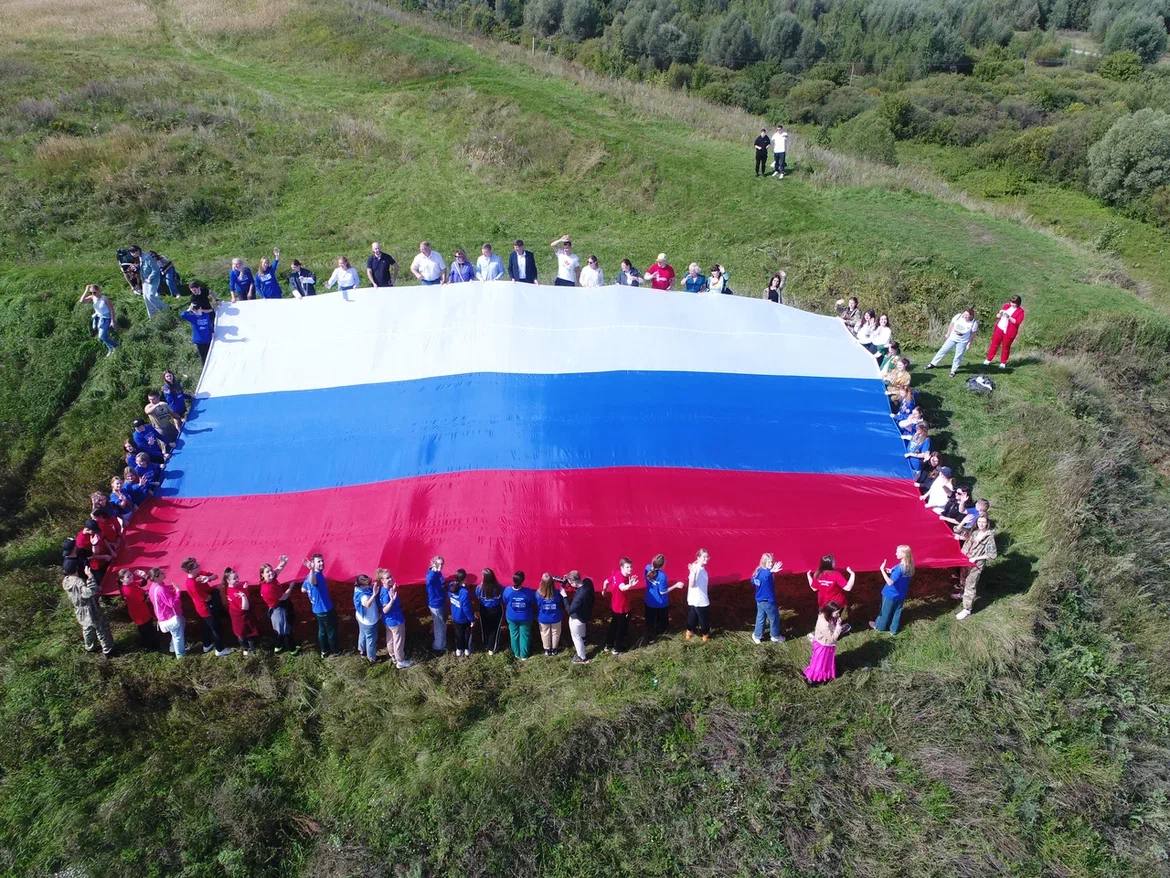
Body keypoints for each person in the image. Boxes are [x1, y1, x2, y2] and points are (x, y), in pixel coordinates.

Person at [62, 547, 114, 656]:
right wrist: (90, 577)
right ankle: (108, 650)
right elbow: (90, 592)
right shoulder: (79, 582)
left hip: (79, 609)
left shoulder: (66, 582)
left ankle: (90, 647)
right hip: (90, 609)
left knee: (87, 629)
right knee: (101, 629)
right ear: (76, 569)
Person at [180, 557, 233, 657]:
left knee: (207, 627)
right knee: (215, 628)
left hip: (204, 607)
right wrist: (214, 589)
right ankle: (220, 649)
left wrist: (208, 578)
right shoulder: (191, 584)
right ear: (190, 570)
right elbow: (207, 598)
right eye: (196, 566)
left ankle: (207, 644)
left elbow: (215, 576)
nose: (199, 566)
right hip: (206, 608)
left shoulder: (199, 574)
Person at [956, 514, 997, 620]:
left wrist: (977, 558)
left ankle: (967, 609)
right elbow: (956, 530)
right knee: (963, 581)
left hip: (975, 565)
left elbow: (992, 555)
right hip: (965, 562)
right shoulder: (974, 532)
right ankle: (962, 595)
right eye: (979, 522)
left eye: (983, 522)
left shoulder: (989, 537)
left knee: (970, 585)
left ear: (987, 523)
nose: (981, 524)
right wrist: (963, 521)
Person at [870, 545, 914, 635]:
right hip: (901, 594)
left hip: (890, 594)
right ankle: (893, 630)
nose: (895, 553)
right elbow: (900, 577)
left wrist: (882, 570)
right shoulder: (909, 565)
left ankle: (879, 626)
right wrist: (891, 571)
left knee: (885, 611)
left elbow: (890, 582)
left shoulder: (899, 568)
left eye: (897, 552)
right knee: (897, 612)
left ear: (903, 554)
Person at [301, 553, 338, 657]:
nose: (322, 563)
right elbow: (312, 582)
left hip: (318, 609)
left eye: (322, 561)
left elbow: (303, 589)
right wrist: (312, 570)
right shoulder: (314, 575)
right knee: (331, 632)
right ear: (313, 564)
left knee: (322, 630)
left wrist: (311, 593)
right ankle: (335, 651)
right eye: (319, 561)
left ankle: (324, 651)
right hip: (324, 609)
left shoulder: (311, 575)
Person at [601, 557, 640, 654]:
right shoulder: (621, 578)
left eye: (631, 567)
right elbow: (622, 587)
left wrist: (604, 591)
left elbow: (606, 581)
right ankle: (617, 648)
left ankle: (608, 644)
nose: (630, 569)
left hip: (615, 606)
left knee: (614, 625)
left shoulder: (616, 574)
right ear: (622, 567)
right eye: (627, 567)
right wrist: (630, 585)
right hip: (623, 609)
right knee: (621, 628)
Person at [927, 307, 979, 378]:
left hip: (963, 341)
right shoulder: (958, 316)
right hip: (952, 338)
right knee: (943, 350)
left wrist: (969, 343)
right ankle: (932, 364)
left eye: (967, 315)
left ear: (971, 316)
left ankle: (953, 371)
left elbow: (973, 334)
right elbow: (951, 324)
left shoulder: (974, 323)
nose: (965, 316)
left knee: (958, 356)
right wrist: (948, 334)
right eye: (964, 314)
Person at [145, 568, 185, 658]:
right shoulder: (160, 589)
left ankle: (173, 647)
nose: (164, 574)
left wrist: (170, 590)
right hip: (170, 616)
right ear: (156, 577)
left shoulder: (153, 586)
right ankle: (181, 656)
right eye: (161, 573)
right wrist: (178, 592)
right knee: (177, 636)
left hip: (163, 615)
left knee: (176, 632)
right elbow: (173, 604)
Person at [258, 554, 294, 652]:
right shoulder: (268, 589)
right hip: (278, 609)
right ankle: (291, 649)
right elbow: (284, 597)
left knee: (281, 629)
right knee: (284, 630)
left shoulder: (270, 579)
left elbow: (278, 569)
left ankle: (279, 646)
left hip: (277, 606)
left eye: (271, 570)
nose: (271, 573)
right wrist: (291, 587)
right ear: (262, 575)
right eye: (267, 572)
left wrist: (283, 562)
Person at [377, 569, 412, 669]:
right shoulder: (386, 594)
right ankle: (400, 661)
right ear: (382, 580)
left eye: (390, 576)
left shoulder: (385, 589)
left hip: (388, 621)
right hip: (396, 621)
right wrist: (392, 600)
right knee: (399, 641)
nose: (390, 579)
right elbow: (385, 610)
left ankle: (393, 657)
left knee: (390, 639)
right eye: (387, 578)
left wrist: (393, 588)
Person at [803, 602, 844, 685]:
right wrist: (839, 627)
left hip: (822, 644)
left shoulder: (824, 615)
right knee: (820, 664)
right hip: (824, 647)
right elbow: (832, 639)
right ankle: (815, 679)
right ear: (830, 611)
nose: (838, 614)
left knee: (822, 662)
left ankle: (822, 674)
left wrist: (835, 622)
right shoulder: (824, 624)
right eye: (836, 613)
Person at [807, 556, 855, 624]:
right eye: (834, 561)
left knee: (825, 618)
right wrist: (852, 574)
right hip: (836, 603)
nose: (835, 563)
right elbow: (848, 588)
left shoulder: (818, 574)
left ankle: (825, 628)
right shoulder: (836, 574)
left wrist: (808, 575)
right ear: (831, 563)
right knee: (833, 617)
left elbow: (814, 588)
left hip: (823, 602)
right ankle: (834, 629)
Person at [117, 568, 156, 651]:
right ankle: (150, 646)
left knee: (147, 627)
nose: (131, 577)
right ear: (122, 579)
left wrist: (144, 576)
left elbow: (141, 583)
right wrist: (152, 592)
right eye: (128, 576)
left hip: (142, 610)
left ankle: (149, 643)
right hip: (140, 613)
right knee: (146, 629)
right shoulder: (128, 590)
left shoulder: (130, 584)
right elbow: (144, 598)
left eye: (131, 574)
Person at [643, 554, 680, 641]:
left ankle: (650, 637)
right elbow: (662, 591)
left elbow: (646, 578)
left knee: (650, 620)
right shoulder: (662, 576)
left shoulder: (647, 568)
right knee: (662, 621)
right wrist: (676, 585)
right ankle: (661, 634)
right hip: (661, 603)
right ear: (663, 565)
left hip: (649, 600)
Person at [224, 568, 260, 655]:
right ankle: (250, 650)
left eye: (237, 577)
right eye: (234, 578)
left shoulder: (231, 588)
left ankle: (246, 649)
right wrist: (244, 595)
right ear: (228, 580)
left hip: (237, 617)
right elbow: (245, 607)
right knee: (247, 634)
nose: (237, 580)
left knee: (241, 633)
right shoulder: (234, 593)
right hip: (241, 617)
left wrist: (244, 589)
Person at [503, 571, 538, 660]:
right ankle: (524, 655)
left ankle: (516, 653)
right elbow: (532, 602)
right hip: (525, 617)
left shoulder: (507, 591)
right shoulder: (528, 592)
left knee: (513, 635)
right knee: (524, 636)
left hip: (512, 616)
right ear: (523, 580)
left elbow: (505, 601)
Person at [751, 553, 785, 644]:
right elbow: (765, 577)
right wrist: (771, 571)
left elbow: (753, 581)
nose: (771, 563)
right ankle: (775, 636)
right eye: (769, 562)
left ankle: (757, 635)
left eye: (772, 561)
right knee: (774, 618)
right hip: (768, 601)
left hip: (759, 600)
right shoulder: (767, 574)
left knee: (761, 617)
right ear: (764, 562)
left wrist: (771, 571)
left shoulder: (758, 571)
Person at [984, 295, 1025, 369]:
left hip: (1009, 332)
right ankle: (988, 359)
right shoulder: (1006, 306)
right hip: (1000, 328)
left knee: (1006, 347)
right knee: (994, 344)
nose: (1012, 304)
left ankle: (1003, 362)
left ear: (1018, 303)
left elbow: (1017, 322)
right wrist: (999, 314)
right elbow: (998, 315)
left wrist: (1008, 317)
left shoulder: (1020, 311)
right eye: (1011, 302)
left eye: (1014, 303)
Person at [79, 284, 118, 356]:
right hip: (100, 318)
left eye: (94, 292)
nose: (93, 294)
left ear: (99, 290)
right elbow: (81, 301)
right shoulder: (92, 297)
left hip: (107, 318)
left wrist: (113, 321)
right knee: (103, 336)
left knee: (101, 336)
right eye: (91, 293)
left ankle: (116, 346)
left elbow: (112, 310)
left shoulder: (105, 299)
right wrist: (86, 290)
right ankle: (111, 348)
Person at [682, 548, 711, 641]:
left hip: (694, 598)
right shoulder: (695, 569)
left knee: (693, 616)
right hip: (700, 599)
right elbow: (691, 584)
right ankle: (705, 635)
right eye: (704, 557)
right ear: (698, 557)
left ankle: (689, 632)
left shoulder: (697, 566)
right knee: (704, 618)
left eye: (707, 556)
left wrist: (696, 564)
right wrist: (693, 572)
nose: (706, 558)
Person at [535, 573, 568, 656]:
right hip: (556, 617)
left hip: (543, 618)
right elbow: (561, 602)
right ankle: (554, 649)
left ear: (541, 582)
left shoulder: (538, 594)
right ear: (553, 583)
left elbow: (537, 605)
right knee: (556, 633)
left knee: (545, 633)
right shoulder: (557, 593)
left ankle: (547, 649)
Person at [132, 246, 168, 316]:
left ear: (139, 250)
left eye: (134, 251)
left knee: (151, 296)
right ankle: (152, 315)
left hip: (153, 279)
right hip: (145, 280)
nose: (133, 254)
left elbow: (156, 269)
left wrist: (150, 278)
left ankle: (166, 309)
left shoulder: (147, 257)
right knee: (145, 297)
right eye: (132, 252)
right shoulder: (140, 257)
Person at [567, 574, 595, 664]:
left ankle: (582, 658)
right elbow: (587, 578)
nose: (570, 584)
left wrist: (564, 596)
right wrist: (569, 577)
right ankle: (584, 643)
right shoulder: (587, 583)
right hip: (585, 615)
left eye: (570, 582)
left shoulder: (580, 596)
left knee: (576, 637)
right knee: (582, 635)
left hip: (577, 618)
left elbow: (570, 610)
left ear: (574, 582)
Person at [476, 568, 505, 654]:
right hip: (496, 610)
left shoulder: (479, 588)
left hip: (484, 610)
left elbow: (477, 597)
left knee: (485, 627)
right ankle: (492, 647)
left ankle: (486, 644)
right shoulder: (499, 588)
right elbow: (503, 598)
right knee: (495, 629)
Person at [353, 573, 381, 663]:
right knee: (371, 640)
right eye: (368, 584)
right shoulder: (363, 596)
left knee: (362, 633)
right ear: (362, 585)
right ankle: (372, 659)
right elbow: (367, 604)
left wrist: (373, 585)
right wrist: (374, 594)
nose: (369, 585)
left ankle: (361, 650)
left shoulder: (357, 588)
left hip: (360, 617)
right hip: (369, 621)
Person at [181, 296, 216, 364]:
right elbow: (182, 314)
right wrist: (189, 308)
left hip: (208, 339)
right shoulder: (193, 317)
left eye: (196, 309)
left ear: (200, 308)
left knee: (211, 356)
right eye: (194, 310)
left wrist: (212, 332)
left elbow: (209, 325)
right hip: (199, 341)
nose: (195, 311)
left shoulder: (206, 316)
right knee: (204, 358)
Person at [448, 569, 475, 657]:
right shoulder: (464, 592)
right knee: (466, 634)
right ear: (464, 579)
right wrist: (471, 619)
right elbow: (466, 608)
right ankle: (466, 649)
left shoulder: (451, 586)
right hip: (464, 618)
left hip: (455, 616)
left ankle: (458, 649)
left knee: (458, 634)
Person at [425, 556, 447, 653]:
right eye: (438, 563)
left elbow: (441, 581)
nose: (441, 566)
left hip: (439, 601)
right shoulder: (431, 575)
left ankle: (440, 642)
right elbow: (429, 581)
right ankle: (438, 646)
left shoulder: (437, 573)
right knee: (439, 626)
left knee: (439, 623)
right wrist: (435, 570)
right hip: (435, 604)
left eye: (442, 563)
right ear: (433, 563)